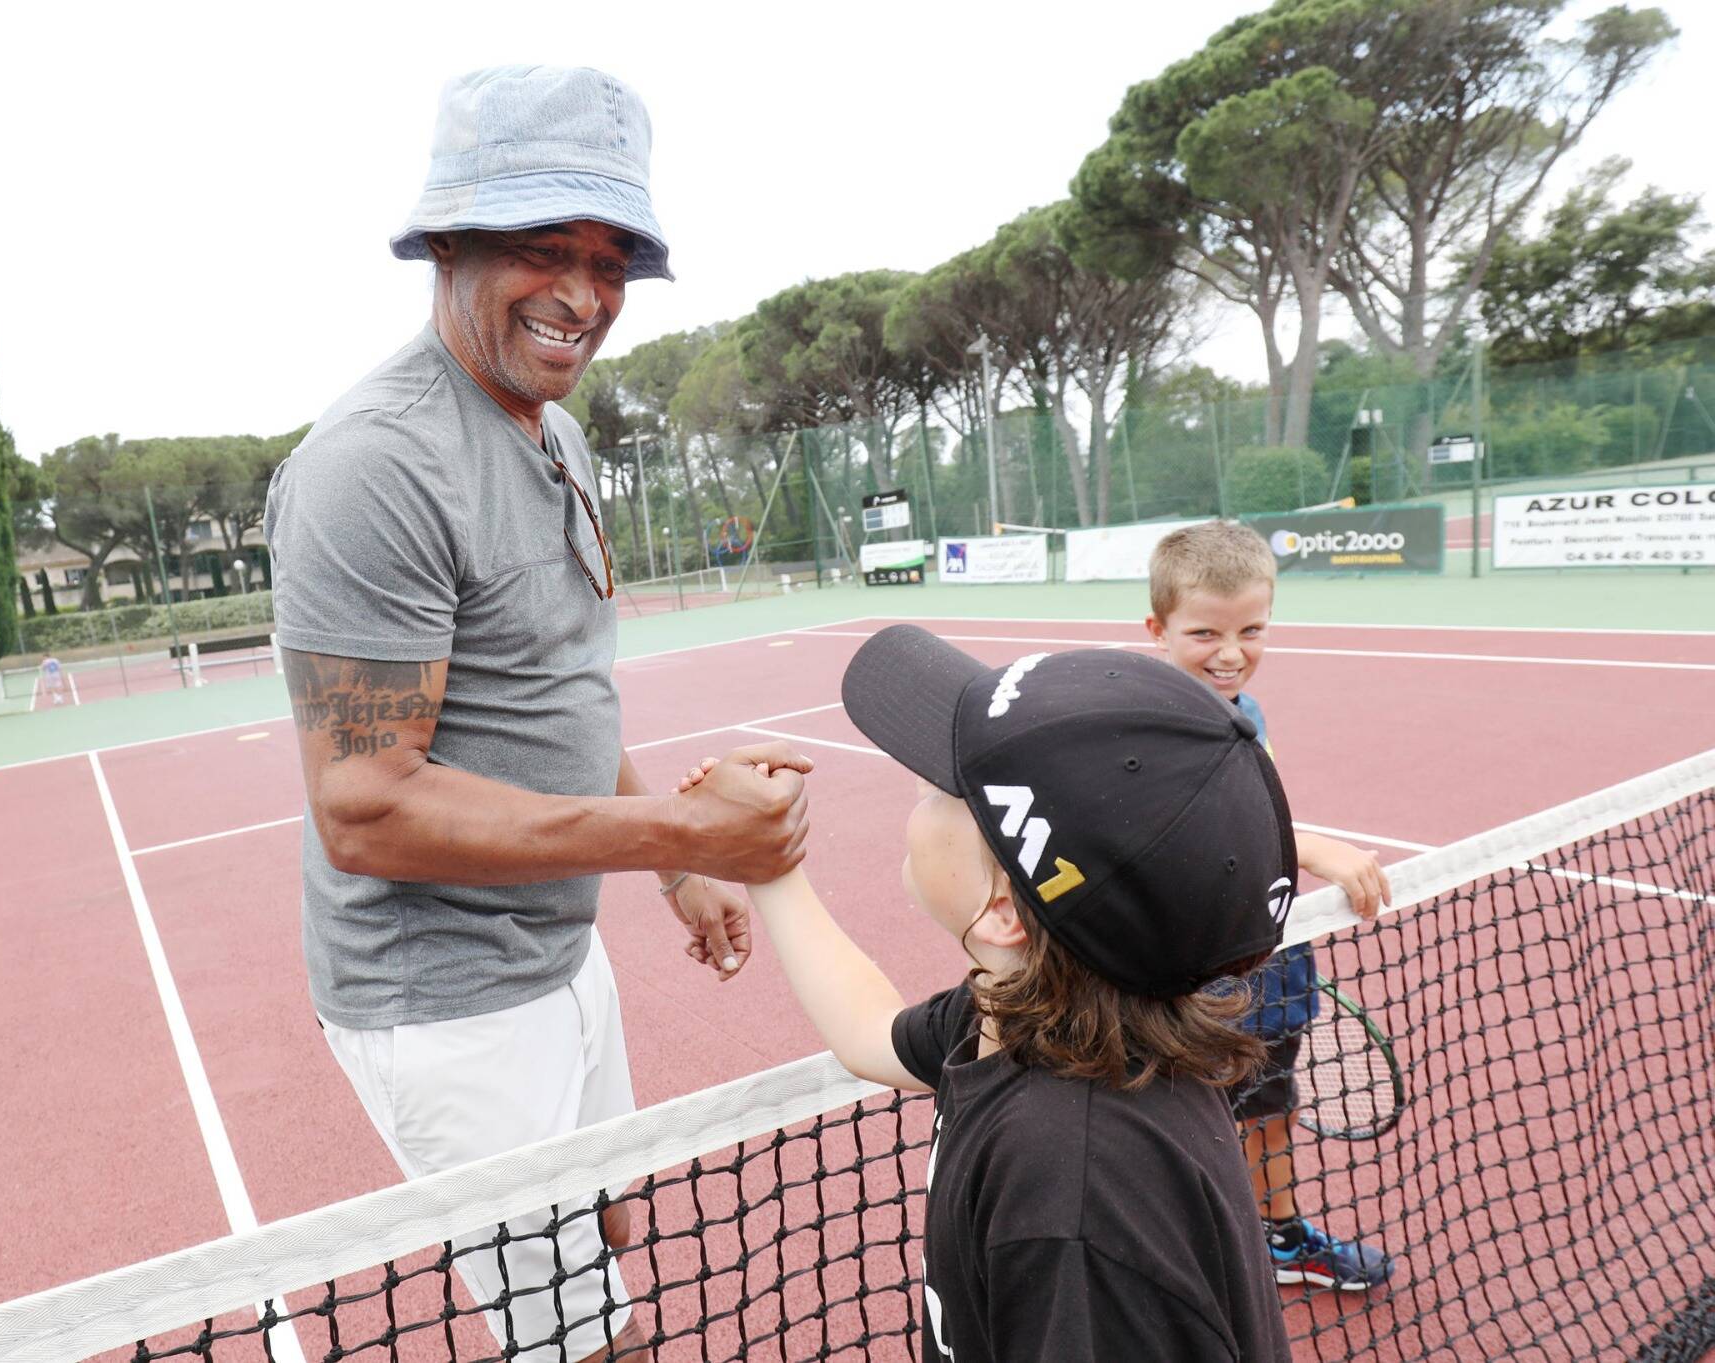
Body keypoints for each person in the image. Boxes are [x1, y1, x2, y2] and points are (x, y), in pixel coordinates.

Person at [262, 66, 812, 1363]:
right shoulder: (375, 467)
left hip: (558, 954)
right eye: (541, 248)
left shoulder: (551, 434)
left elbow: (559, 679)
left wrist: (675, 851)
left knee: (611, 1225)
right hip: (445, 1000)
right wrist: (678, 833)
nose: (584, 291)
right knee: (578, 1338)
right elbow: (366, 808)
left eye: (611, 255)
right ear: (447, 244)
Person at [680, 633, 1297, 1361]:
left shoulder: (1073, 1191)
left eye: (943, 791)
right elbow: (869, 1030)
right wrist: (766, 863)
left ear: (1004, 908)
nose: (917, 790)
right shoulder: (1030, 1015)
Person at [1144, 519, 1395, 1291]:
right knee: (1183, 1122)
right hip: (1193, 966)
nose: (1231, 651)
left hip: (1270, 945)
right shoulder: (1144, 723)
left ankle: (1279, 1236)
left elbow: (1255, 811)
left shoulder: (1248, 710)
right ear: (1157, 629)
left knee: (1272, 1103)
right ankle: (1183, 1258)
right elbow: (1189, 832)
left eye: (1252, 628)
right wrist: (1312, 847)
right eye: (1205, 632)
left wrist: (1288, 854)